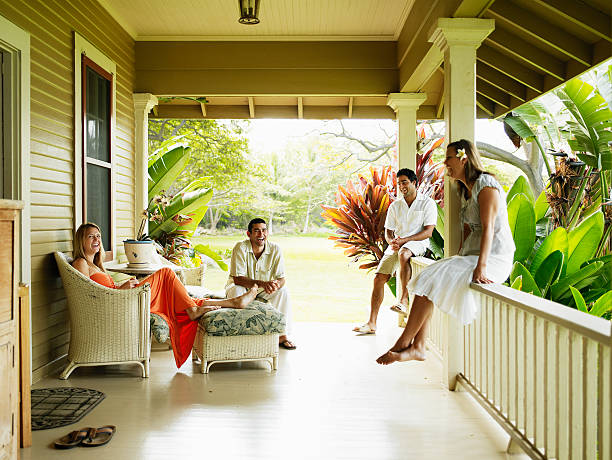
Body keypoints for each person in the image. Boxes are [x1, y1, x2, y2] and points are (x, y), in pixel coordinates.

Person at [376, 139, 515, 365]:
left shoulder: (486, 185)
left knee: (432, 278)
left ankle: (404, 343)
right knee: (427, 278)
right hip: (471, 257)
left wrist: (481, 267)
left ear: (464, 158)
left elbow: (489, 228)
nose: (445, 163)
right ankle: (418, 346)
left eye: (449, 157)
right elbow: (470, 229)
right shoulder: (465, 190)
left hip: (493, 259)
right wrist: (458, 256)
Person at [71, 222, 259, 369]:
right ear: (81, 240)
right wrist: (122, 289)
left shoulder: (95, 264)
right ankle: (211, 306)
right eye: (91, 236)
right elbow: (91, 296)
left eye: (98, 236)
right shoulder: (81, 263)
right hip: (121, 303)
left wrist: (123, 285)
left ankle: (231, 302)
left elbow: (103, 289)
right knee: (167, 274)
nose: (96, 239)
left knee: (180, 298)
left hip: (124, 298)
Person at [352, 168, 437, 335]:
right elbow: (388, 232)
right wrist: (392, 241)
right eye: (399, 183)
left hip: (417, 243)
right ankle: (371, 323)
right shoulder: (395, 206)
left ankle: (403, 300)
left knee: (404, 253)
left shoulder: (427, 203)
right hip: (398, 244)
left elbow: (428, 232)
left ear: (414, 182)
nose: (402, 186)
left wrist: (404, 241)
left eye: (404, 182)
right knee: (378, 278)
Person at [226, 218, 296, 350]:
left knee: (283, 291)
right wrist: (264, 283)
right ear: (249, 234)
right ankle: (237, 333)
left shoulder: (275, 249)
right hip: (241, 287)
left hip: (263, 289)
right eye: (256, 231)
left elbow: (282, 278)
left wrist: (274, 285)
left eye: (264, 230)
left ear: (267, 232)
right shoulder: (240, 247)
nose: (261, 234)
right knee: (236, 290)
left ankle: (282, 335)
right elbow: (237, 279)